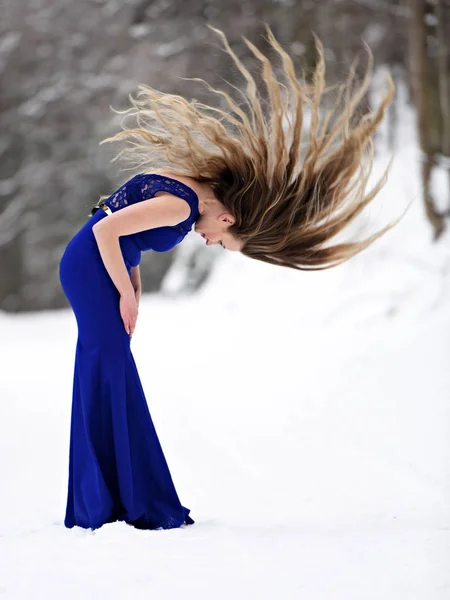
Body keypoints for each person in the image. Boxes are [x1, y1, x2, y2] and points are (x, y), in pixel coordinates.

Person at [59, 24, 406, 531]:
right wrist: (125, 294)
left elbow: (118, 227)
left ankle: (110, 496)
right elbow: (108, 230)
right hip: (88, 267)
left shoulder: (186, 189)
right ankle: (113, 500)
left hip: (91, 265)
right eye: (225, 242)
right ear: (228, 219)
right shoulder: (181, 206)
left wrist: (132, 287)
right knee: (107, 370)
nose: (210, 243)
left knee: (108, 369)